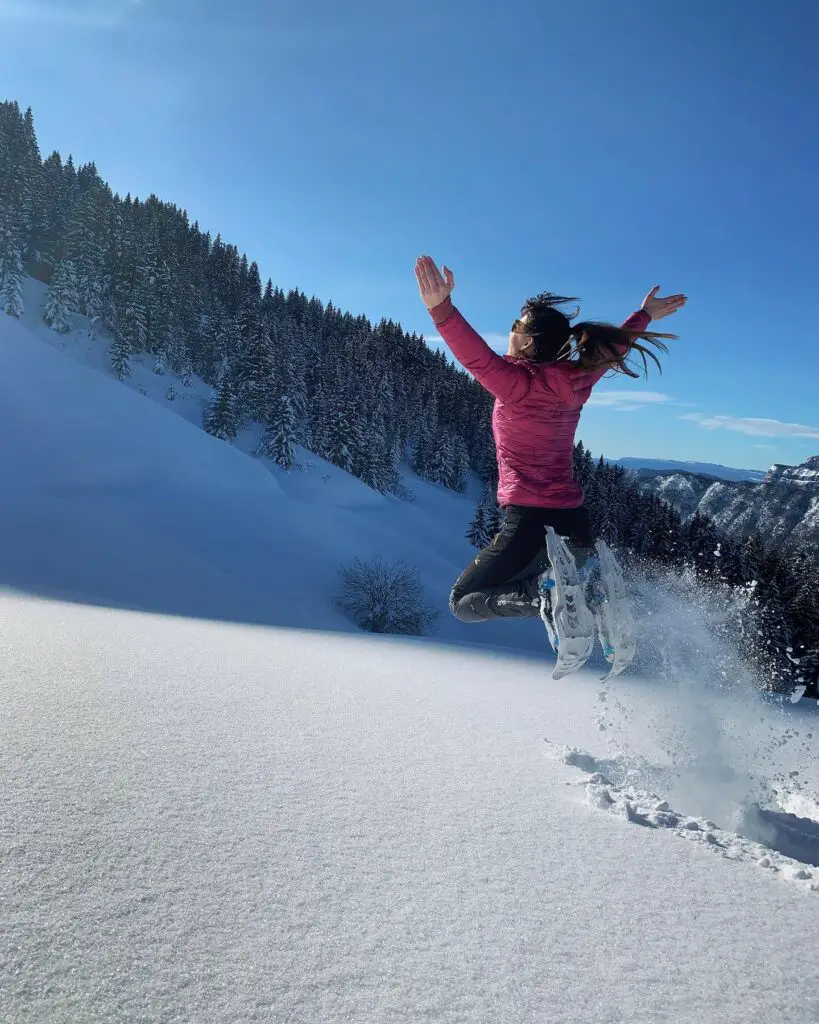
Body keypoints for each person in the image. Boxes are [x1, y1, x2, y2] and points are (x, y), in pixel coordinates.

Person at [414, 255, 686, 626]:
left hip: (530, 522)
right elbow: (614, 348)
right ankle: (584, 596)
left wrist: (441, 309)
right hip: (574, 523)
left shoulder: (516, 383)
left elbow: (474, 357)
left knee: (463, 601)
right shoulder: (579, 378)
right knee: (528, 584)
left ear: (526, 343)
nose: (508, 330)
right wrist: (644, 316)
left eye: (515, 326)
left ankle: (545, 600)